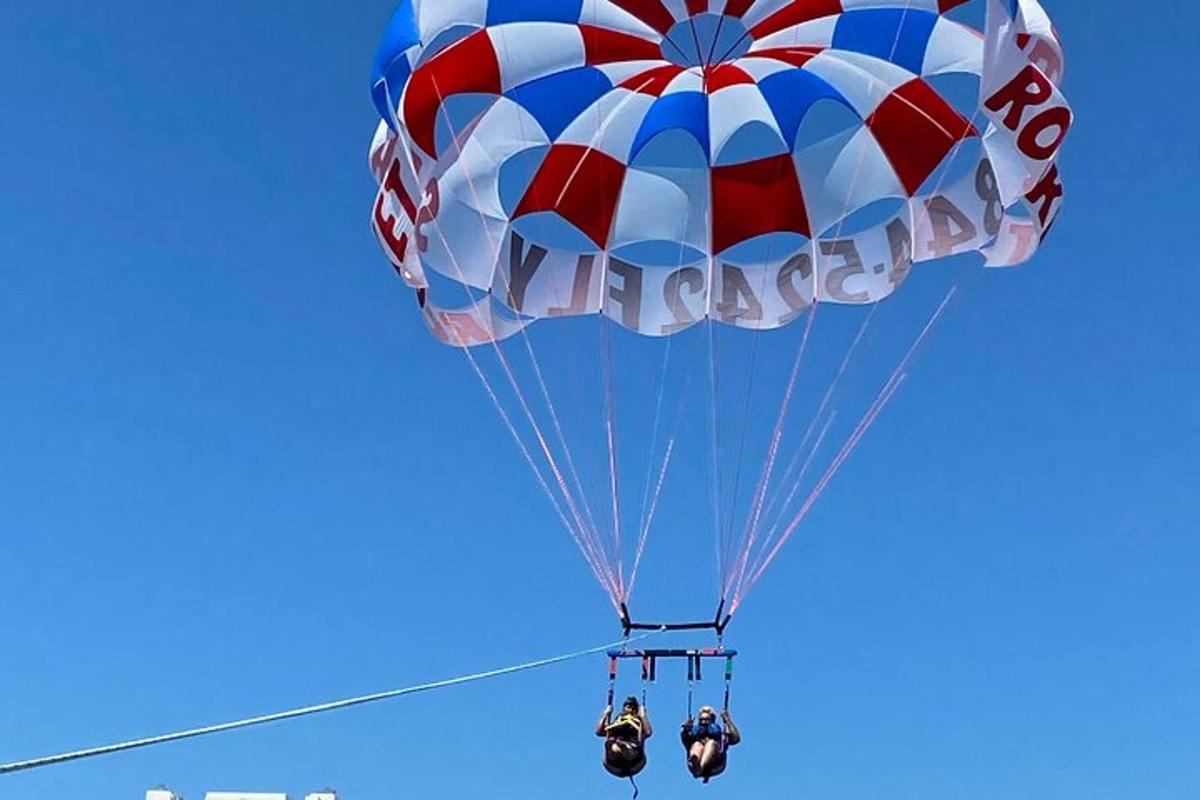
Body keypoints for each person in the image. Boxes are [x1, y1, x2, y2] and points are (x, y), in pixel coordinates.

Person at [596, 696, 653, 778]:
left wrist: (643, 716)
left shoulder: (638, 723)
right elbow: (599, 731)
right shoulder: (617, 722)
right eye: (629, 707)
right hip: (614, 762)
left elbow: (648, 732)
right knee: (613, 745)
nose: (631, 710)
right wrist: (606, 713)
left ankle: (625, 748)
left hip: (634, 760)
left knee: (627, 746)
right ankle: (622, 748)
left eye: (633, 708)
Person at [681, 705, 741, 782]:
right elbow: (685, 739)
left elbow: (736, 739)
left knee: (711, 743)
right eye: (701, 720)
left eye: (706, 720)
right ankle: (695, 760)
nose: (703, 722)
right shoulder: (694, 736)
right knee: (696, 744)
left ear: (712, 720)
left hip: (716, 761)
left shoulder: (720, 736)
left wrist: (727, 720)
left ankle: (700, 767)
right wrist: (685, 730)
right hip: (695, 763)